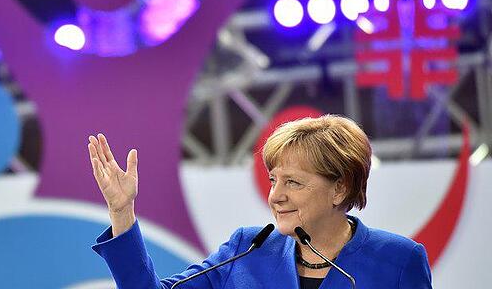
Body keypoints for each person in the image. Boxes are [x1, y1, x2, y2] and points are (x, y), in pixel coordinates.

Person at [87, 115, 432, 288]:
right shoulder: (247, 249)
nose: (276, 196)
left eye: (293, 183)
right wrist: (122, 211)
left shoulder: (400, 261)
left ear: (340, 189)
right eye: (273, 180)